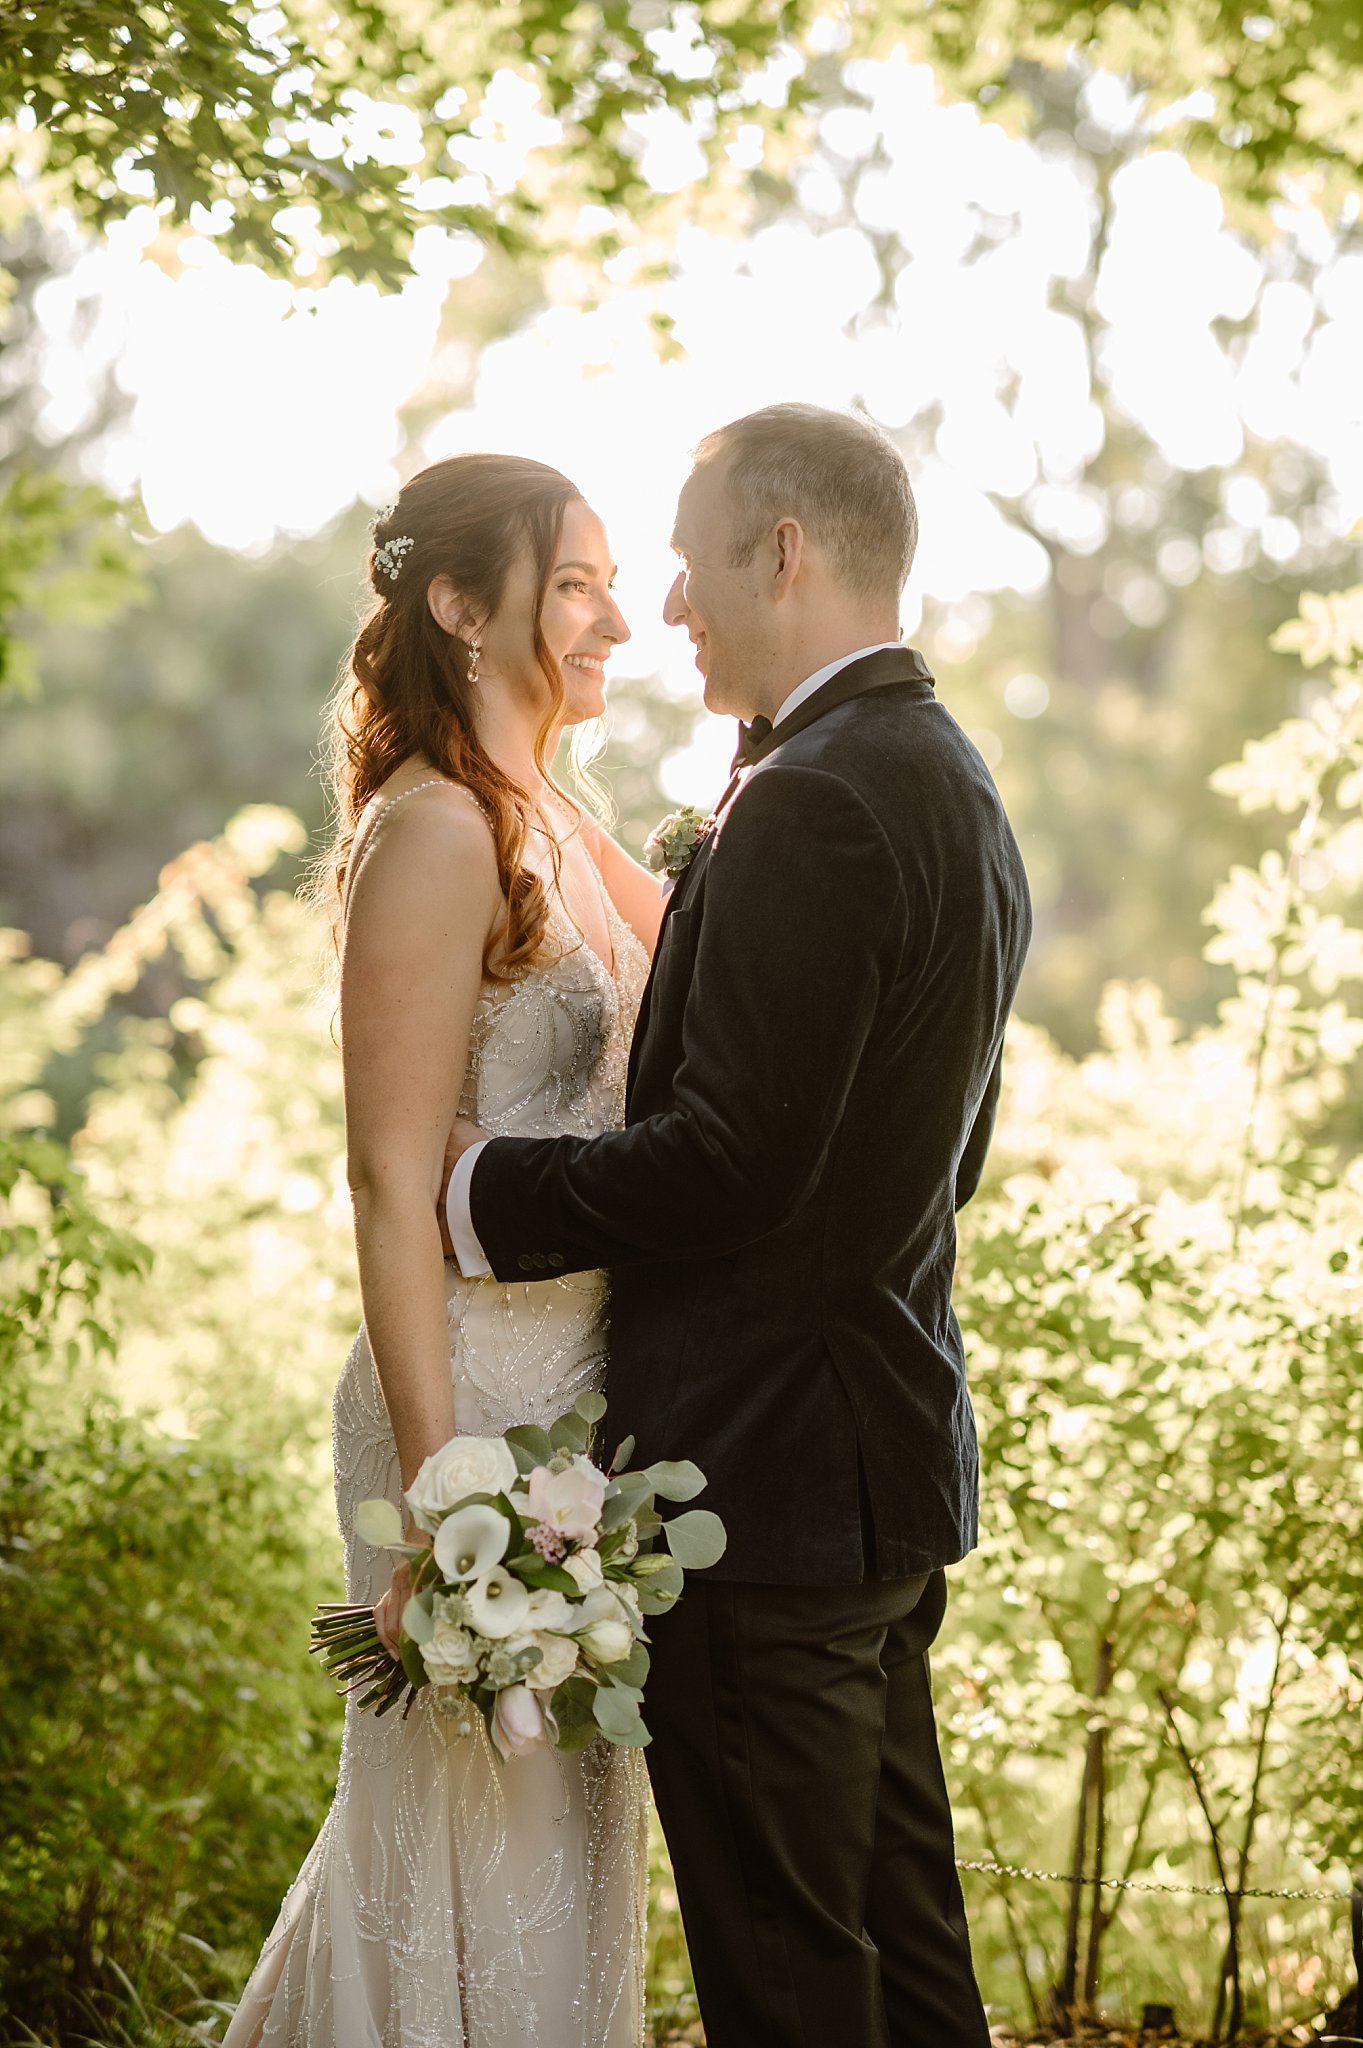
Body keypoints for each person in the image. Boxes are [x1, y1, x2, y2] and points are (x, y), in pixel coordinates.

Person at [442, 403, 1034, 2048]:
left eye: (692, 565)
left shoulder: (822, 800)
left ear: (784, 550)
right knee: (899, 1962)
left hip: (763, 1493)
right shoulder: (948, 781)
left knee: (790, 1981)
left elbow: (728, 1165)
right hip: (868, 1469)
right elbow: (947, 1155)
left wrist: (479, 1190)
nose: (673, 605)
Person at [224, 453, 663, 2047]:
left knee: (560, 1849)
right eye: (576, 581)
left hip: (588, 1415)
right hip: (468, 1410)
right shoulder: (430, 833)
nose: (617, 614)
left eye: (614, 578)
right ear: (460, 604)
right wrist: (440, 1490)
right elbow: (385, 1182)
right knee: (476, 1844)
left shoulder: (555, 810)